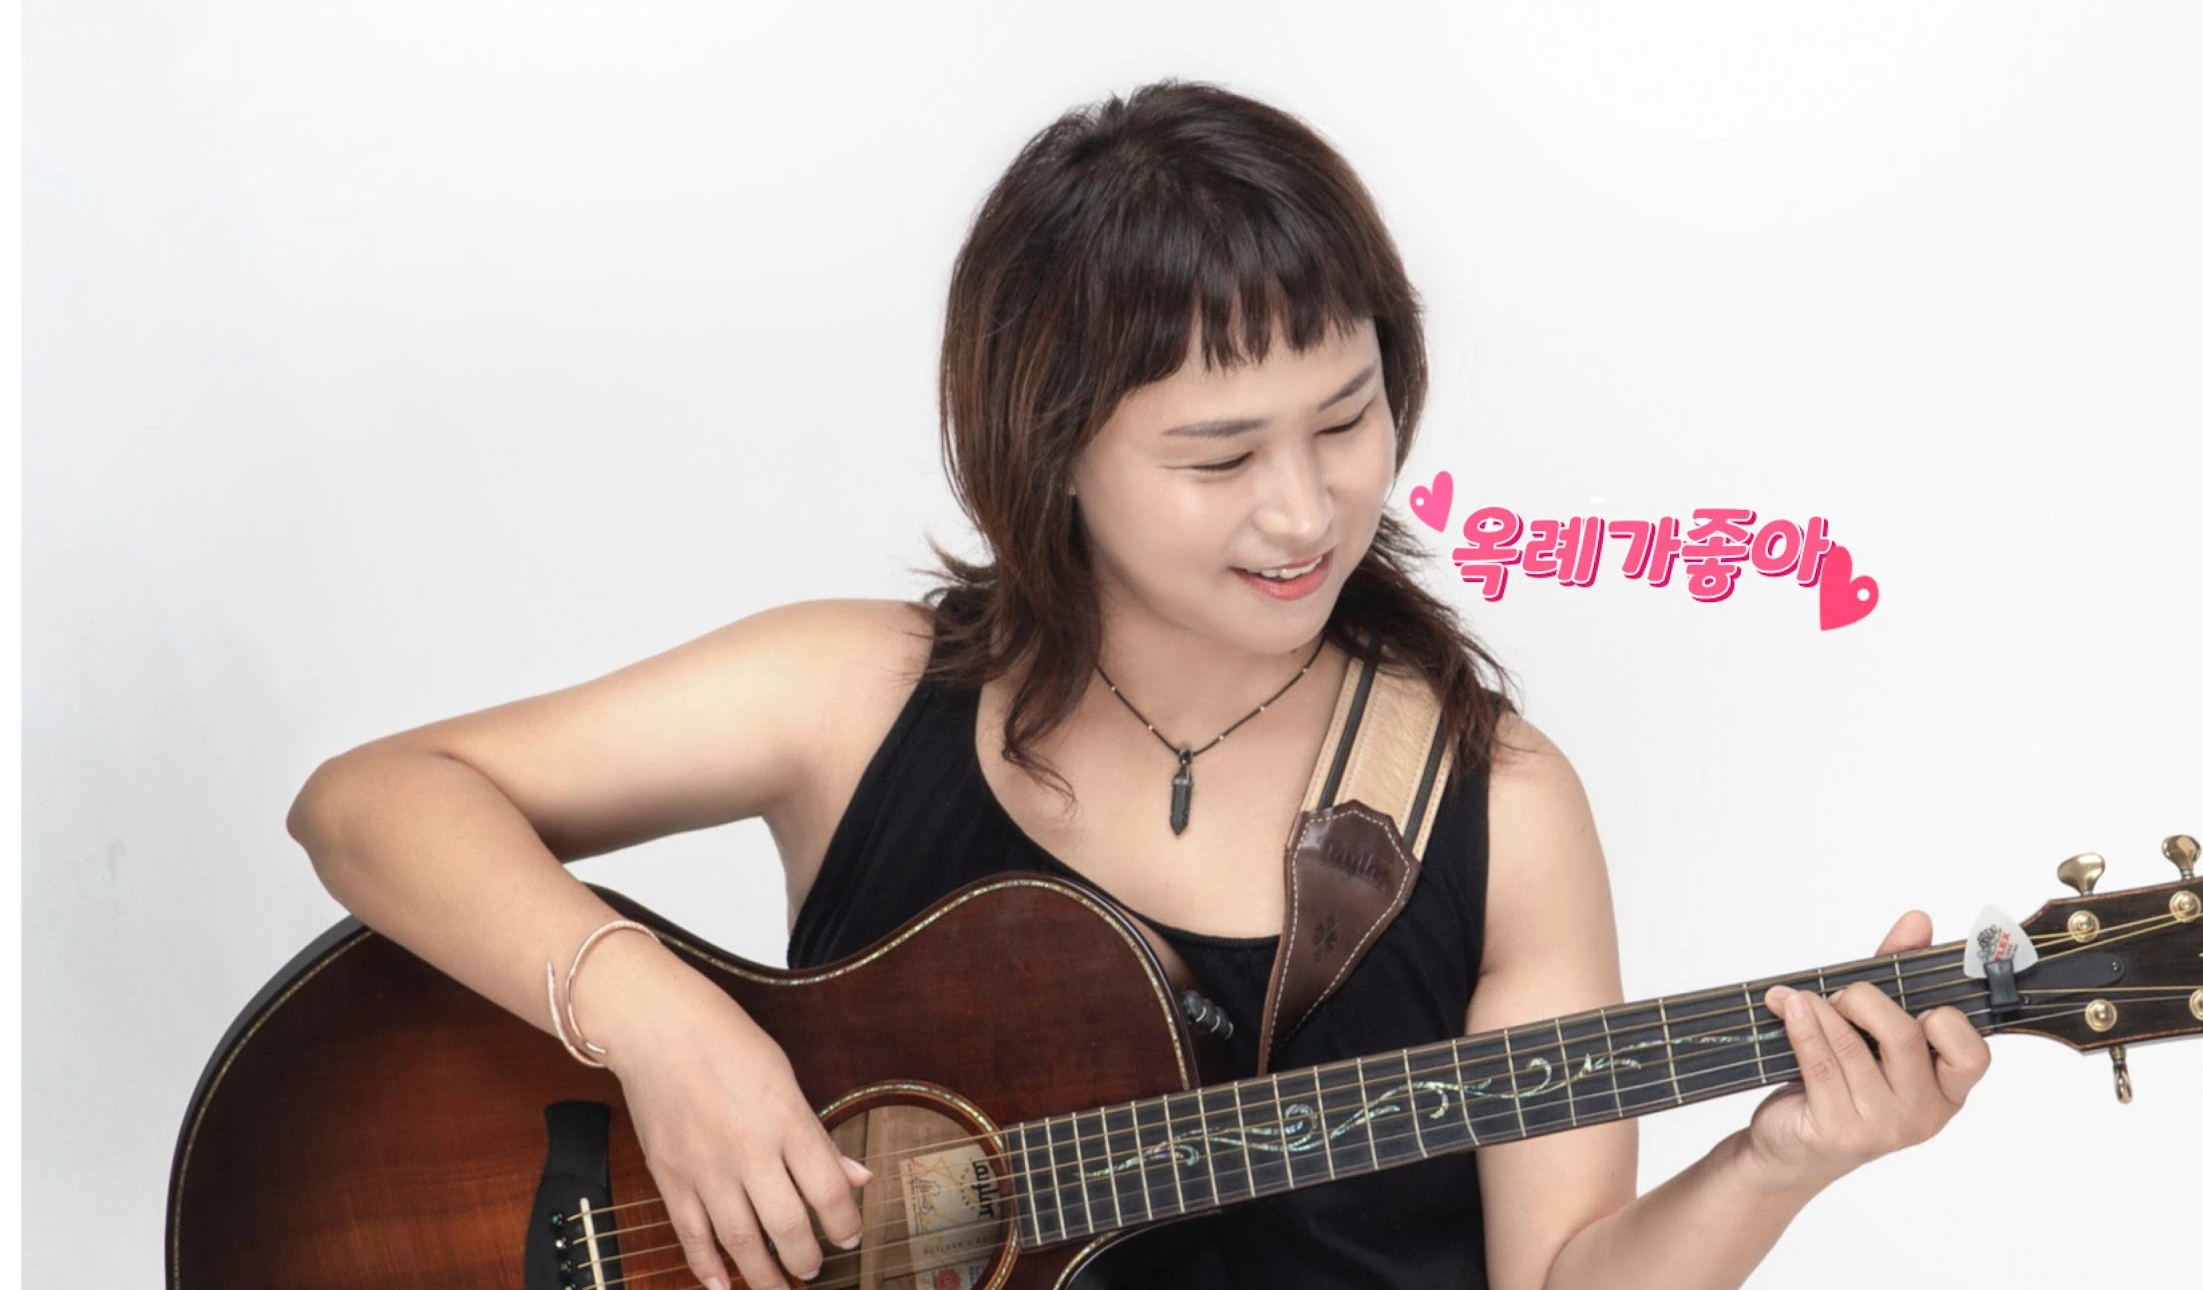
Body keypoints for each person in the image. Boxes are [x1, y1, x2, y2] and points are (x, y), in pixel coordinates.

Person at [287, 80, 1990, 1290]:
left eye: (1348, 419)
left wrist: (1780, 1158)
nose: (1306, 510)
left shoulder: (1497, 805)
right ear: (1052, 454)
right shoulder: (855, 694)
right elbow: (368, 805)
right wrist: (662, 1027)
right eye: (1218, 455)